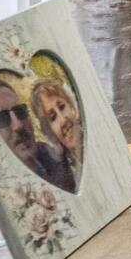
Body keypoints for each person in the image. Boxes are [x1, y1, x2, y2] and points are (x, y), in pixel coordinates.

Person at [26, 52, 88, 190]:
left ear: (71, 105)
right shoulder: (63, 175)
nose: (62, 119)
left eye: (62, 107)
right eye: (52, 118)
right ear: (48, 130)